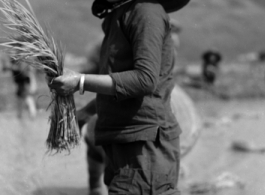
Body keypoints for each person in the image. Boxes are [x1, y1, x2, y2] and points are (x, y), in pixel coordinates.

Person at [48, 0, 190, 194]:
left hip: (143, 146)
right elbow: (121, 85)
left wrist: (80, 81)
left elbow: (145, 80)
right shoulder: (119, 15)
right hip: (121, 143)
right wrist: (85, 112)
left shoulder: (146, 12)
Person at [2, 51, 37, 119]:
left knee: (27, 98)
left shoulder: (20, 64)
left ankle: (32, 114)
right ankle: (20, 115)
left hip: (24, 83)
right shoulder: (16, 64)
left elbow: (21, 72)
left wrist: (11, 67)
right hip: (21, 84)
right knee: (20, 99)